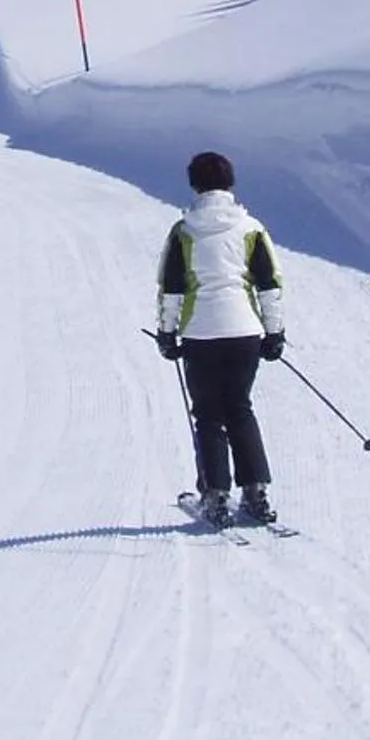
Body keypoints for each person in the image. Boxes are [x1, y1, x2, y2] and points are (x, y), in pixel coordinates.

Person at [155, 149, 286, 526]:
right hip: (244, 331)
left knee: (209, 414)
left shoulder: (183, 232)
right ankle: (256, 492)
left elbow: (171, 289)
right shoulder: (251, 228)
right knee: (240, 407)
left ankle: (215, 495)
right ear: (230, 184)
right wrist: (275, 332)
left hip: (200, 333)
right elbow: (269, 284)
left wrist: (167, 334)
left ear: (194, 185)